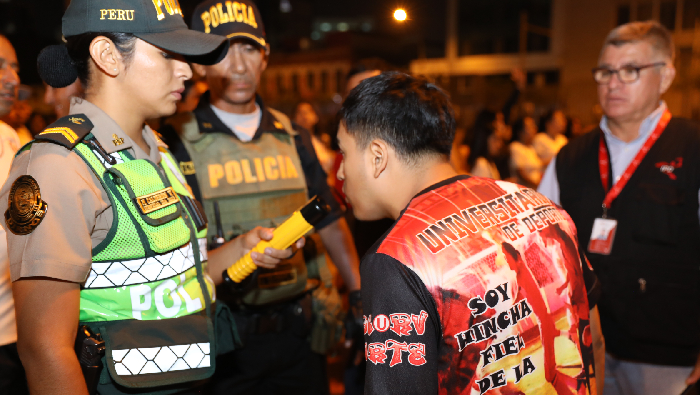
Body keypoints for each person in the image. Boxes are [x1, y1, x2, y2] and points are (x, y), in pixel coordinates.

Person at [1, 1, 299, 394]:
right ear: (107, 56)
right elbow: (44, 349)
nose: (187, 70)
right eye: (166, 54)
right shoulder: (57, 166)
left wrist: (244, 248)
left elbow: (177, 278)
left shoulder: (153, 146)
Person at [336, 71, 603, 394]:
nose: (339, 171)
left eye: (344, 152)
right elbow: (593, 336)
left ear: (377, 157)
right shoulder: (541, 206)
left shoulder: (395, 260)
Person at [160, 1, 362, 393]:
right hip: (225, 341)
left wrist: (356, 292)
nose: (238, 66)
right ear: (199, 65)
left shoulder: (292, 136)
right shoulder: (173, 141)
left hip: (299, 336)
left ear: (265, 57)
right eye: (222, 51)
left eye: (249, 48)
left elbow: (331, 219)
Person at [538, 21, 700, 395]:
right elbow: (543, 252)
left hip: (664, 352)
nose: (613, 83)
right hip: (581, 344)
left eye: (630, 71)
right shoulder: (571, 156)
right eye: (606, 71)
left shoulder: (692, 148)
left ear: (665, 76)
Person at [0, 34, 26, 395]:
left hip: (11, 332)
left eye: (15, 67)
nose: (13, 79)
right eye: (0, 67)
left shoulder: (10, 137)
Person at [510, 116, 544, 188]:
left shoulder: (531, 148)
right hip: (523, 190)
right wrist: (536, 185)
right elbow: (520, 173)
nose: (534, 129)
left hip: (534, 189)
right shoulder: (516, 147)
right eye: (530, 127)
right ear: (521, 131)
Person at [467, 113, 503, 179]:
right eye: (495, 140)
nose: (499, 145)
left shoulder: (490, 163)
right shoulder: (481, 164)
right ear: (485, 140)